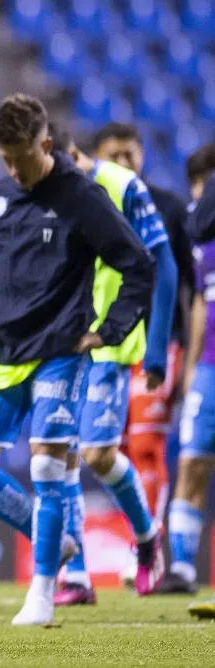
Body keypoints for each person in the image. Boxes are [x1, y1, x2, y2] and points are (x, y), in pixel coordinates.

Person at [0, 94, 154, 626]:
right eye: (5, 159)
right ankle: (49, 536)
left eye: (22, 158)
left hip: (61, 351)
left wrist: (109, 331)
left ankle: (41, 593)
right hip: (0, 352)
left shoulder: (82, 198)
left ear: (47, 145)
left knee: (46, 465)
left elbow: (138, 263)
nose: (14, 170)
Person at [49, 125, 176, 605]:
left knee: (99, 456)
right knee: (55, 455)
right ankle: (76, 574)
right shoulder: (40, 191)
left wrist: (158, 348)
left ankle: (146, 538)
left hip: (110, 341)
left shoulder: (122, 187)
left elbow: (162, 265)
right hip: (58, 342)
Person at [91, 124, 196, 563]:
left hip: (159, 342)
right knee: (113, 451)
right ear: (98, 158)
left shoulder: (168, 208)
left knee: (148, 447)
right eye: (113, 156)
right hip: (109, 345)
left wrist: (187, 359)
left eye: (129, 155)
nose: (123, 164)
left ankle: (146, 549)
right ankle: (143, 536)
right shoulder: (89, 204)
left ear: (143, 155)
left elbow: (192, 290)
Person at [164, 144, 215, 599]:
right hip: (210, 371)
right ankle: (181, 568)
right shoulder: (203, 245)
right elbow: (200, 302)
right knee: (192, 463)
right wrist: (192, 366)